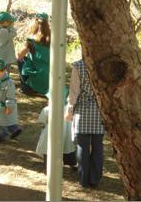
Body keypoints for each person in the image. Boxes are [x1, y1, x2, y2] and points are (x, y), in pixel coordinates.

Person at [64, 58, 105, 188]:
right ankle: (95, 179)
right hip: (100, 111)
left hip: (83, 112)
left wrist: (69, 110)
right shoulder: (104, 63)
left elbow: (74, 91)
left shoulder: (79, 66)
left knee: (82, 147)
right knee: (98, 147)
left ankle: (83, 179)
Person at [36, 87, 77, 173]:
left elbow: (42, 120)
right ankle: (73, 164)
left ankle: (48, 168)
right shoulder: (68, 109)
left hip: (49, 134)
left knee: (47, 150)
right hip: (66, 133)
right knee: (67, 148)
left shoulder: (47, 109)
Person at [17, 13, 50, 95]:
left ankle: (27, 88)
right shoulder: (52, 38)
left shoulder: (32, 40)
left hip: (38, 74)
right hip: (50, 76)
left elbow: (20, 55)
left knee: (20, 60)